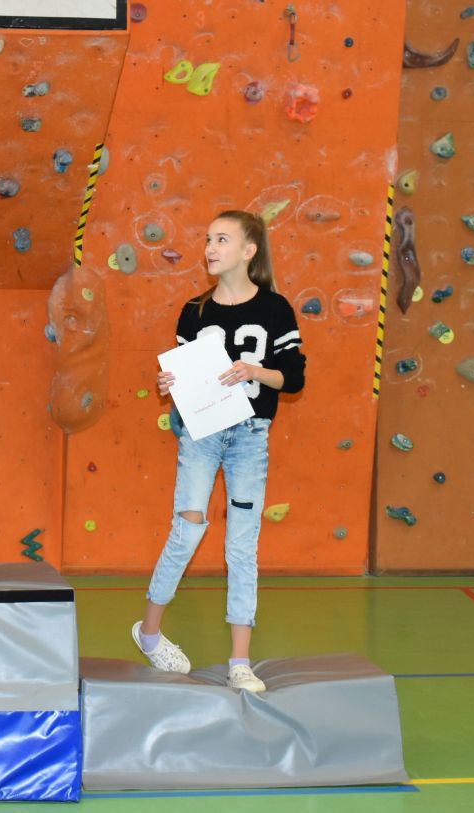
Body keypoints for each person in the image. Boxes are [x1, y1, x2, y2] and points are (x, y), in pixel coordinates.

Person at [132, 210, 306, 693]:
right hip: (202, 434)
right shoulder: (195, 310)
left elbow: (293, 377)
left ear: (249, 251)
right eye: (208, 238)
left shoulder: (276, 309)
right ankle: (149, 632)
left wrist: (256, 371)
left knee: (241, 545)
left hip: (250, 435)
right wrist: (169, 383)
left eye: (222, 239)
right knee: (187, 531)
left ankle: (240, 662)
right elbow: (185, 376)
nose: (211, 247)